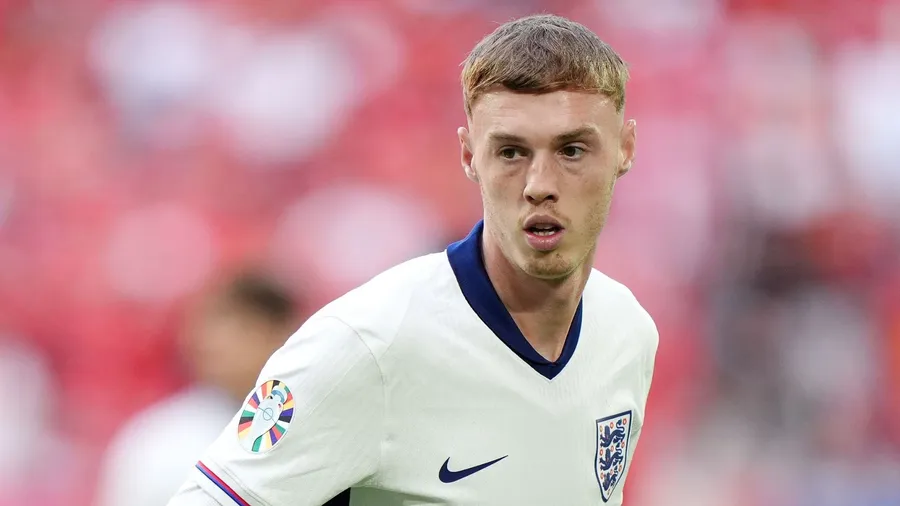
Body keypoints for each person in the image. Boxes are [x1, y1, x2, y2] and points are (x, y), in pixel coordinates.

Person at [167, 13, 657, 506]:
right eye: (511, 152)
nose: (539, 185)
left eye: (572, 150)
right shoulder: (368, 344)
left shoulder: (628, 333)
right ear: (469, 156)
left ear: (625, 149)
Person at [95, 271, 298, 506]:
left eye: (247, 329)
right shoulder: (164, 438)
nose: (222, 343)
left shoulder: (309, 424)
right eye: (218, 327)